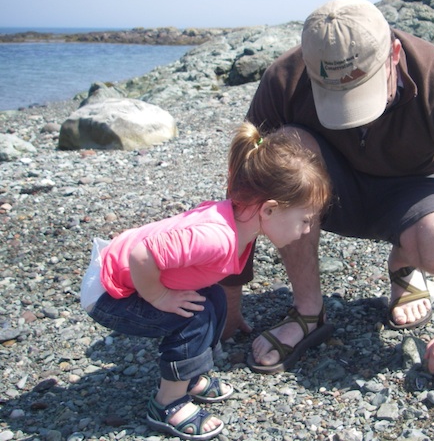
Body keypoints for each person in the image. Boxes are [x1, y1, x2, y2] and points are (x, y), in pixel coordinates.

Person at [221, 0, 434, 377]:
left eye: (360, 92)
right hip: (326, 190)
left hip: (416, 190)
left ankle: (405, 262)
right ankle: (309, 311)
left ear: (393, 54)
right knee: (284, 148)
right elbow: (245, 190)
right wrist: (229, 297)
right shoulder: (285, 78)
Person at [80, 122, 331, 440]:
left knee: (212, 298)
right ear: (269, 209)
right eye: (305, 219)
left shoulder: (241, 224)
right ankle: (166, 404)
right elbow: (142, 255)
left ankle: (190, 376)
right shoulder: (216, 237)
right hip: (109, 290)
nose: (308, 230)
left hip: (128, 277)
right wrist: (159, 298)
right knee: (192, 317)